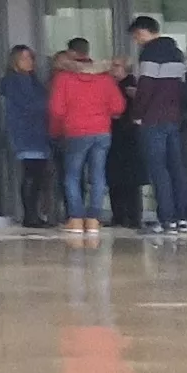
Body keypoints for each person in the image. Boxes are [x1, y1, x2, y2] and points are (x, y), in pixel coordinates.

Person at [126, 17, 187, 233]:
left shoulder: (150, 53)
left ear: (144, 31)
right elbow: (181, 87)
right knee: (176, 168)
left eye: (137, 35)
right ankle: (181, 218)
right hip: (173, 118)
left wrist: (138, 112)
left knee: (158, 169)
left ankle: (165, 219)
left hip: (152, 119)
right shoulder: (177, 54)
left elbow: (147, 86)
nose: (137, 40)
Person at [47, 48, 122, 235]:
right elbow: (118, 106)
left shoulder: (63, 78)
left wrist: (59, 129)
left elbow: (56, 110)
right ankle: (93, 220)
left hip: (76, 132)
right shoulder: (105, 79)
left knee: (72, 176)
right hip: (102, 132)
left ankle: (76, 219)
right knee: (98, 176)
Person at [0, 45, 54, 228]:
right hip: (25, 133)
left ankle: (35, 214)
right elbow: (30, 105)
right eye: (24, 58)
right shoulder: (14, 81)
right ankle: (30, 216)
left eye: (30, 58)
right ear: (15, 61)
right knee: (31, 174)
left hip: (39, 133)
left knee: (38, 175)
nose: (29, 62)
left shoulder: (33, 80)